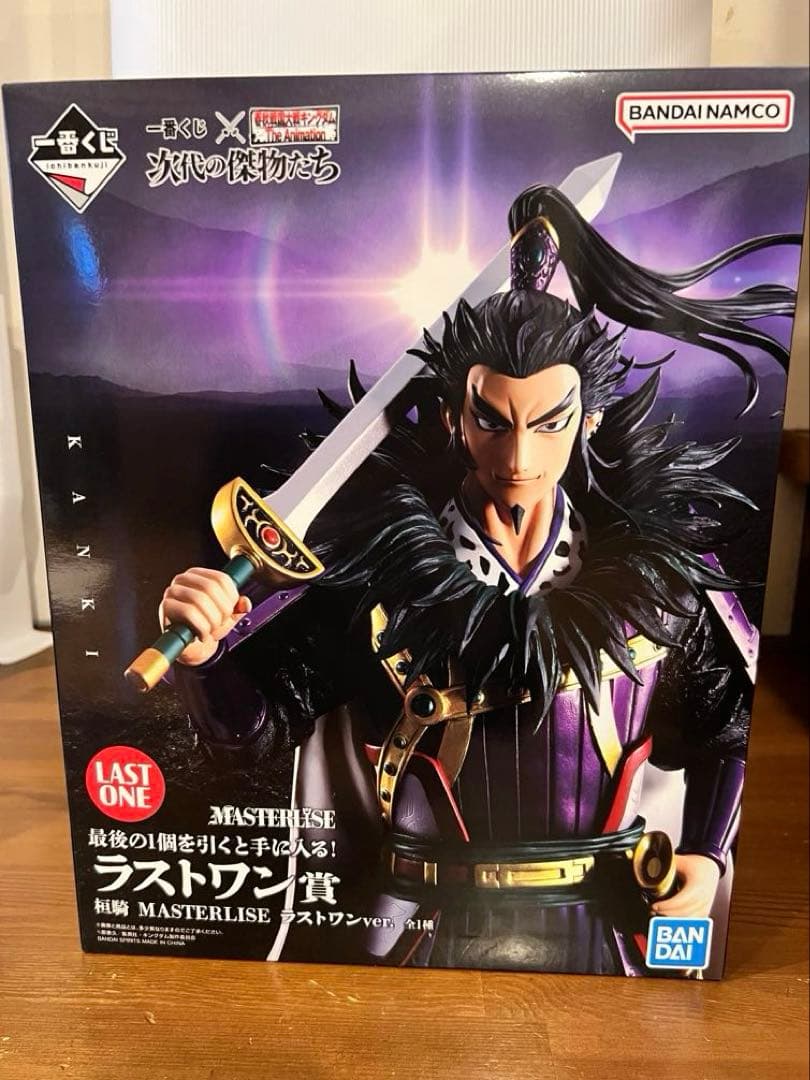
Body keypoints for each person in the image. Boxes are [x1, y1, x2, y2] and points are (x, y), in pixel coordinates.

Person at [159, 184, 795, 973]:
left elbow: (728, 729)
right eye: (493, 420)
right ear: (454, 418)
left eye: (550, 422)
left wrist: (705, 852)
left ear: (591, 418)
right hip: (415, 931)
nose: (519, 458)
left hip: (610, 927)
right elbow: (254, 734)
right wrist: (205, 661)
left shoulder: (656, 578)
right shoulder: (378, 577)